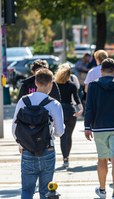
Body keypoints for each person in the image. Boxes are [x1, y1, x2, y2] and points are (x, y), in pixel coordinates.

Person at [84, 58, 114, 199]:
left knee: (102, 159)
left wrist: (87, 126)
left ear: (101, 71)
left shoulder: (93, 86)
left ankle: (102, 189)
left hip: (99, 127)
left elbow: (90, 107)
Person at [12, 68, 64, 199]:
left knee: (27, 191)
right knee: (46, 192)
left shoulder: (23, 101)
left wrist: (23, 142)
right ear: (51, 83)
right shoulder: (54, 104)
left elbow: (14, 128)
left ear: (35, 83)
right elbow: (59, 132)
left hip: (27, 150)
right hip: (47, 150)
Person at [55, 63, 83, 168]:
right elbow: (76, 98)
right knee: (69, 136)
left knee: (63, 136)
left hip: (59, 111)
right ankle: (67, 158)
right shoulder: (72, 85)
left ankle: (64, 158)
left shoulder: (55, 84)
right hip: (70, 111)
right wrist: (81, 109)